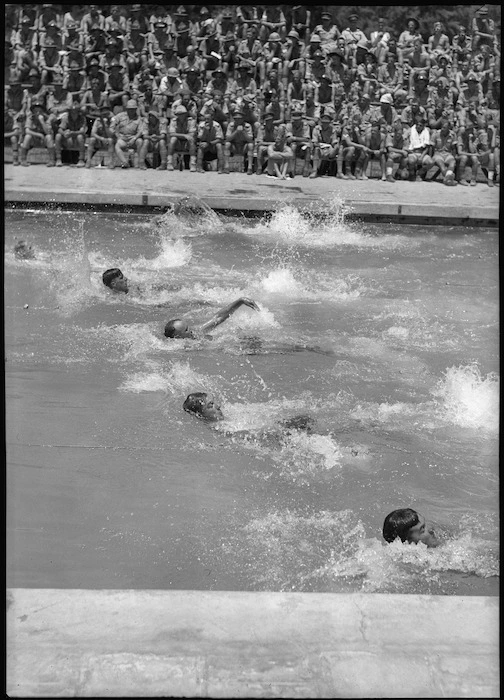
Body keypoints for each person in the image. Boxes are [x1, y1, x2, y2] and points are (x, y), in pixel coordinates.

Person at [164, 297, 260, 338]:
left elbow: (217, 318)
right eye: (186, 330)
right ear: (177, 337)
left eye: (188, 327)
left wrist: (240, 301)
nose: (191, 330)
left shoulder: (196, 334)